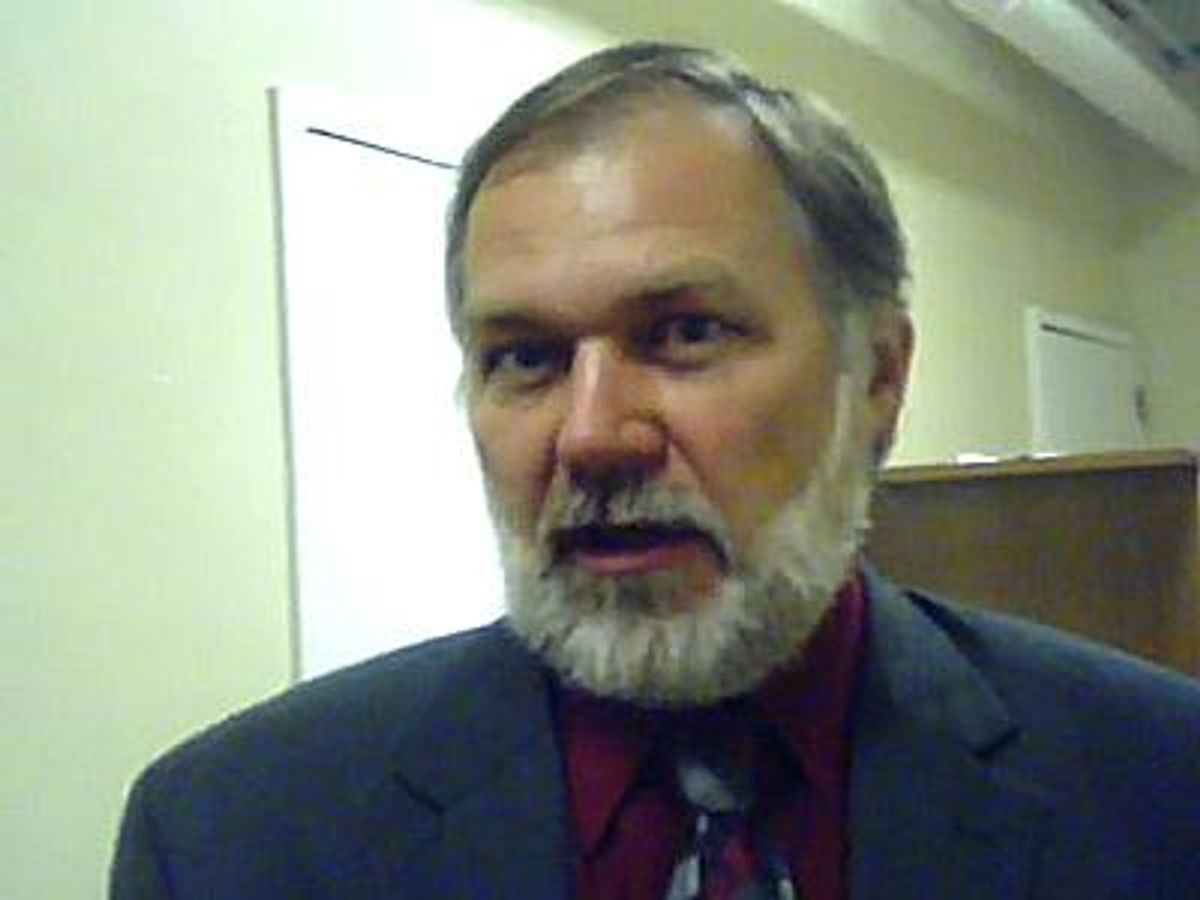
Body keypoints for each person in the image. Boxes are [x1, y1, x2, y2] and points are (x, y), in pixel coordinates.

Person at [111, 43, 1200, 899]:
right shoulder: (230, 837)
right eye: (525, 358)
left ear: (876, 376)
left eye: (684, 333)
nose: (593, 436)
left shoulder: (1160, 787)